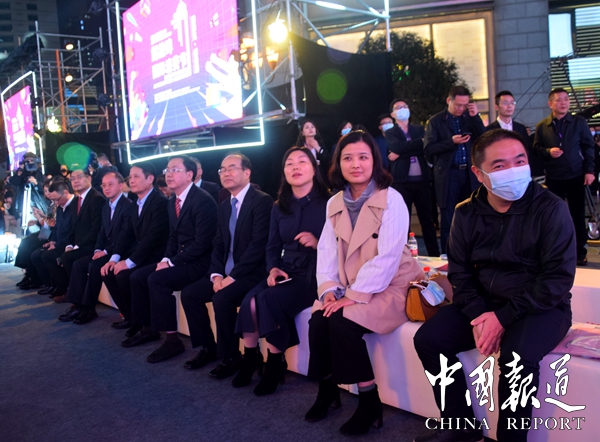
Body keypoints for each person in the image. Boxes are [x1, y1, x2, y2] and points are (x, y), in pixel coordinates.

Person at [413, 129, 575, 442]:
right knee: (429, 339)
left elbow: (556, 279)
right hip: (484, 302)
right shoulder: (465, 212)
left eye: (520, 161)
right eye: (500, 165)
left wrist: (502, 318)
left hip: (541, 306)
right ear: (479, 173)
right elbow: (459, 272)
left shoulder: (550, 208)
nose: (513, 170)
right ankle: (460, 425)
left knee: (517, 359)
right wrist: (479, 314)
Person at [305, 130, 422, 436]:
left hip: (393, 285)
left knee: (341, 322)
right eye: (348, 158)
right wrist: (329, 291)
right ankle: (328, 390)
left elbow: (388, 258)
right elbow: (326, 253)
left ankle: (370, 402)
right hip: (352, 285)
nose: (355, 164)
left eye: (363, 157)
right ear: (338, 163)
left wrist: (353, 296)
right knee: (319, 319)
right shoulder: (334, 202)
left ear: (374, 161)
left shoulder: (392, 199)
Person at [233, 147, 329, 396]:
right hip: (286, 269)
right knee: (249, 301)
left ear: (314, 168)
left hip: (315, 273)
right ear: (284, 172)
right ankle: (251, 357)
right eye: (289, 163)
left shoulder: (329, 202)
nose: (295, 167)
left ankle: (275, 363)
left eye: (302, 162)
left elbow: (344, 244)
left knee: (268, 299)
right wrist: (272, 268)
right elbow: (272, 246)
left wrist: (319, 243)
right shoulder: (279, 207)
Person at [180, 153, 273, 377]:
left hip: (252, 272)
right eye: (222, 169)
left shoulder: (262, 201)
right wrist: (216, 275)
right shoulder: (224, 205)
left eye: (232, 168)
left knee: (222, 298)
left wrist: (233, 277)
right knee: (190, 294)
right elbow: (218, 244)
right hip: (226, 272)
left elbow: (258, 246)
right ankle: (208, 347)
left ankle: (231, 356)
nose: (226, 173)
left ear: (247, 173)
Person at [121, 155, 217, 364]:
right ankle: (148, 328)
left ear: (189, 175)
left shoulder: (203, 201)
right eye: (167, 170)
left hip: (202, 262)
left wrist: (172, 262)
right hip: (182, 258)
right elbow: (173, 237)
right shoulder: (173, 200)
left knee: (157, 279)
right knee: (138, 277)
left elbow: (202, 243)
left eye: (175, 170)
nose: (169, 174)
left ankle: (173, 341)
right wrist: (165, 258)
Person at [101, 163, 169, 335]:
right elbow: (126, 233)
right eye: (130, 177)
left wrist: (129, 262)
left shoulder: (160, 202)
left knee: (127, 276)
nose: (131, 180)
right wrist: (114, 258)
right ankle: (131, 318)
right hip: (142, 253)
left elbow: (152, 237)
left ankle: (146, 327)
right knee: (109, 272)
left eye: (136, 176)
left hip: (157, 255)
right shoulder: (135, 203)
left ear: (150, 178)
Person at [58, 171, 132, 324]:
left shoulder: (127, 206)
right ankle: (78, 305)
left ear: (120, 186)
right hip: (105, 249)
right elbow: (102, 232)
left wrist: (104, 251)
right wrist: (98, 249)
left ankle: (88, 308)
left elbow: (125, 237)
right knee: (79, 264)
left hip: (121, 251)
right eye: (104, 185)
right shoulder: (107, 206)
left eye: (110, 185)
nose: (106, 188)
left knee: (94, 265)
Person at [533, 88, 595, 266]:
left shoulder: (579, 122)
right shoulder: (542, 126)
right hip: (554, 177)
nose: (564, 103)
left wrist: (589, 171)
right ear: (550, 104)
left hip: (576, 175)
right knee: (555, 216)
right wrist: (548, 151)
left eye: (566, 99)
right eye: (559, 100)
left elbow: (588, 147)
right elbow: (535, 149)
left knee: (577, 215)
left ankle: (579, 252)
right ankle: (557, 252)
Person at [424, 85, 485, 254]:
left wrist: (475, 117)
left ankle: (472, 253)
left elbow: (484, 139)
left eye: (465, 105)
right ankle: (448, 254)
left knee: (472, 214)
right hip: (449, 174)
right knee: (448, 218)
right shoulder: (436, 121)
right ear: (448, 101)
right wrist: (451, 142)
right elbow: (429, 149)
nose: (461, 109)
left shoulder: (469, 118)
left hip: (469, 173)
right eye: (458, 105)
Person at [386, 99, 440, 256]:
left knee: (427, 220)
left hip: (422, 181)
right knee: (404, 221)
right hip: (402, 182)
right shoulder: (391, 132)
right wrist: (416, 144)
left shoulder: (419, 129)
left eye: (404, 106)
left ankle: (434, 254)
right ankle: (404, 256)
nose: (402, 109)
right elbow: (396, 146)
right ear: (393, 114)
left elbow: (425, 147)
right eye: (398, 107)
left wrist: (401, 153)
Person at [48, 167, 106, 303]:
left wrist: (77, 246)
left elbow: (96, 229)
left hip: (93, 245)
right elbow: (73, 228)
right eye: (72, 179)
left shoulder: (97, 199)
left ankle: (79, 300)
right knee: (64, 255)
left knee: (68, 258)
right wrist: (69, 244)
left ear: (89, 178)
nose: (75, 181)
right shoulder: (77, 201)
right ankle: (75, 297)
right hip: (81, 243)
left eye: (79, 177)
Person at [30, 180, 76, 296]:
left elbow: (72, 231)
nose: (55, 203)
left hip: (70, 243)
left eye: (57, 199)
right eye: (53, 200)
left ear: (65, 193)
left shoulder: (75, 206)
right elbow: (57, 228)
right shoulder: (60, 207)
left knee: (47, 256)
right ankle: (51, 284)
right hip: (59, 241)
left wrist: (58, 245)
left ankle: (62, 288)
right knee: (36, 254)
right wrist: (53, 241)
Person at [486, 90, 544, 180]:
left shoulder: (520, 128)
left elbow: (526, 151)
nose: (509, 106)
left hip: (519, 172)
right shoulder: (489, 130)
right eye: (505, 103)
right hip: (500, 173)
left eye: (512, 103)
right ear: (496, 107)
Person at [296, 120, 331, 187]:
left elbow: (328, 163)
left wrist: (318, 148)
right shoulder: (299, 147)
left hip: (321, 179)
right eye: (307, 127)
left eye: (312, 127)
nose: (310, 129)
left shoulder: (321, 144)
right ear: (302, 133)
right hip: (305, 179)